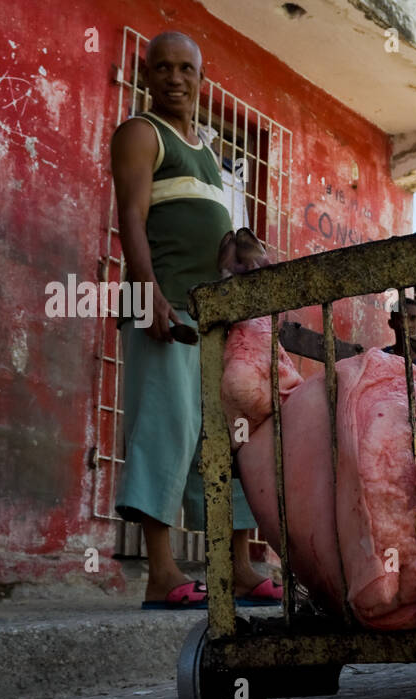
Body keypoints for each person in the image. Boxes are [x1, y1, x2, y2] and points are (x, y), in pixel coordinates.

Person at [110, 32, 281, 608]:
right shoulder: (141, 133)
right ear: (147, 74)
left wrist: (239, 252)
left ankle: (235, 566)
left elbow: (212, 239)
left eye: (186, 68)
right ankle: (160, 574)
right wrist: (146, 290)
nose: (174, 78)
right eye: (162, 67)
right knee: (165, 428)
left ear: (200, 80)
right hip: (162, 308)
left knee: (222, 440)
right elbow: (130, 217)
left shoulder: (208, 154)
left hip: (210, 319)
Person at [382, 297, 416, 370]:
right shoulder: (381, 357)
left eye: (413, 318)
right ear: (391, 323)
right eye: (401, 318)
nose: (408, 324)